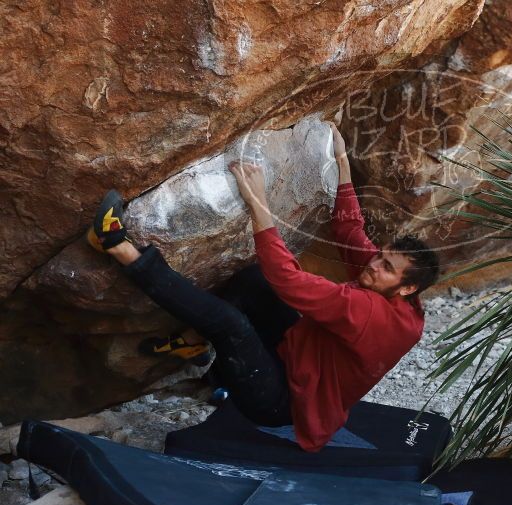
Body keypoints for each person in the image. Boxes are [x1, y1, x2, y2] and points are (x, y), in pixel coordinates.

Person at [86, 123, 440, 452]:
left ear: (407, 288)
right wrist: (342, 161)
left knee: (231, 325)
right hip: (296, 358)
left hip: (282, 401)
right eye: (380, 257)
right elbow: (350, 233)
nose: (374, 265)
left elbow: (288, 278)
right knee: (253, 281)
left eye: (386, 267)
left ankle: (117, 245)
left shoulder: (369, 313)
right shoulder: (398, 292)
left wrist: (258, 200)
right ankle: (192, 345)